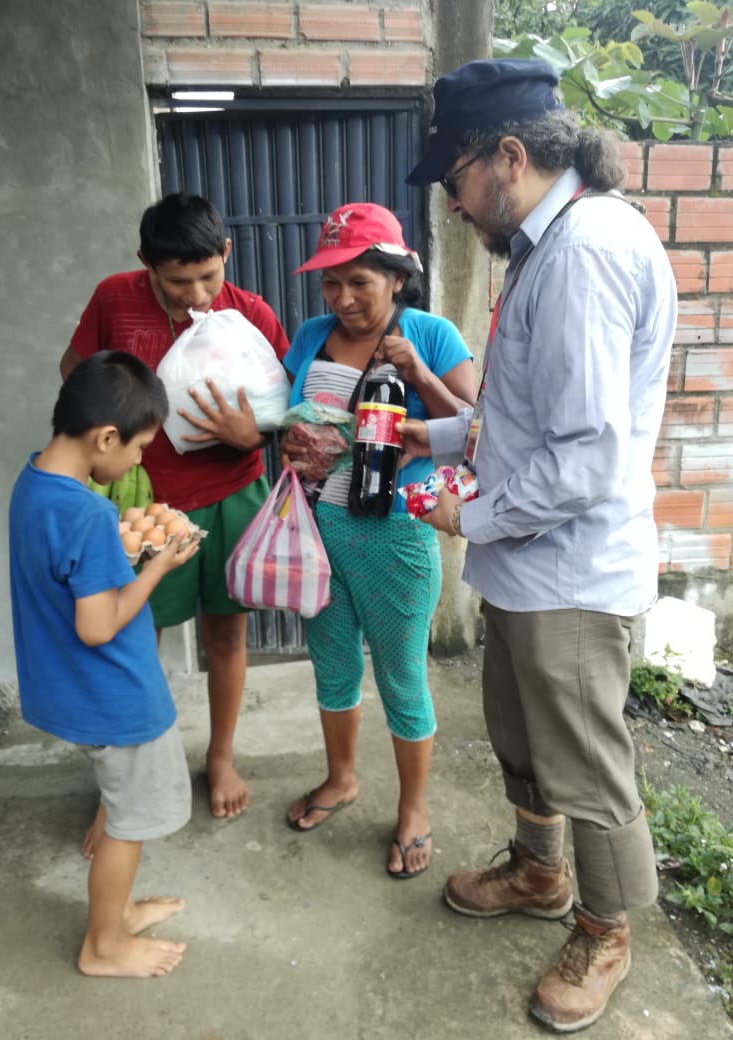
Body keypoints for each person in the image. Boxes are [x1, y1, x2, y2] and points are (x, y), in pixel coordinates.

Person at [400, 59, 677, 1030]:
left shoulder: (587, 253)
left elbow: (588, 456)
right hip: (528, 561)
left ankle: (605, 929)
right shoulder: (546, 248)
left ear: (508, 158)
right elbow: (518, 420)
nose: (456, 202)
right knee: (521, 733)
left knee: (585, 760)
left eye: (457, 180)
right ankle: (538, 869)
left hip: (572, 567)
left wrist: (467, 516)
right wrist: (419, 438)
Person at [60, 193, 289, 832]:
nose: (194, 294)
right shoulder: (115, 298)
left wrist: (255, 438)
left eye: (207, 277)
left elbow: (283, 408)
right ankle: (127, 780)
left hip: (232, 493)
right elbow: (74, 375)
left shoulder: (251, 315)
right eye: (176, 281)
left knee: (225, 634)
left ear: (227, 253)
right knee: (135, 639)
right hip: (144, 506)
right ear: (145, 265)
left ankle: (220, 758)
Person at [281, 203, 475, 878]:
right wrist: (290, 437)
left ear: (397, 277)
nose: (342, 298)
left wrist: (419, 374)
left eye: (358, 280)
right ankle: (341, 779)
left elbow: (482, 429)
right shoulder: (310, 335)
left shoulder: (432, 332)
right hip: (317, 530)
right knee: (332, 664)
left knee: (400, 675)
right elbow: (279, 414)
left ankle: (414, 810)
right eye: (330, 283)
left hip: (394, 533)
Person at [9, 351, 201, 977]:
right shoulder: (87, 512)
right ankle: (104, 945)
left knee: (122, 805)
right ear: (106, 437)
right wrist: (156, 568)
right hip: (113, 694)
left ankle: (115, 916)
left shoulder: (34, 482)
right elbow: (97, 625)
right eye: (140, 447)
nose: (140, 461)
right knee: (130, 821)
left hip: (70, 690)